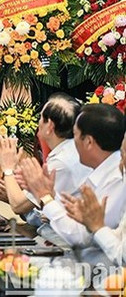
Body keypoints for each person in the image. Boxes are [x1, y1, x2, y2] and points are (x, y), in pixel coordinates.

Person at [20, 103, 126, 265]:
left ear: (89, 142)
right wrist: (51, 198)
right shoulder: (103, 171)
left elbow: (80, 236)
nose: (71, 143)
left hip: (101, 277)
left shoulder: (117, 179)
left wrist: (46, 198)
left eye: (75, 136)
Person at [0, 93, 90, 218]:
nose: (38, 123)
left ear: (50, 126)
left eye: (41, 117)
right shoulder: (72, 150)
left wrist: (8, 168)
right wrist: (14, 194)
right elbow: (43, 209)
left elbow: (18, 205)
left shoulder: (62, 161)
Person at [61, 130, 126, 265]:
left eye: (123, 155)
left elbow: (123, 258)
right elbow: (119, 237)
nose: (121, 163)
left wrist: (46, 199)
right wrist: (91, 224)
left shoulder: (115, 178)